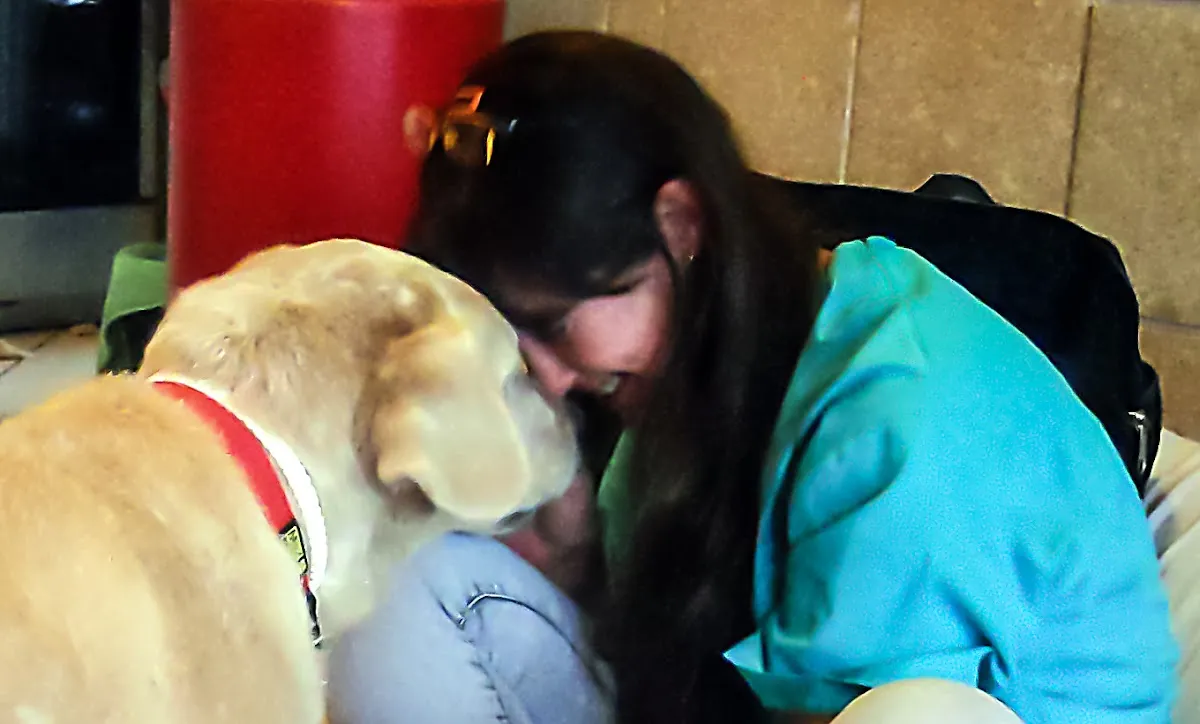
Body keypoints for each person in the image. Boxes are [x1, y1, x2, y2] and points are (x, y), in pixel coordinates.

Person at [326, 31, 1177, 723]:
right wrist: (574, 558)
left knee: (917, 715)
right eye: (511, 333)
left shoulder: (898, 426)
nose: (544, 378)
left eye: (554, 325)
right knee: (407, 575)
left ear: (680, 223)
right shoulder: (705, 350)